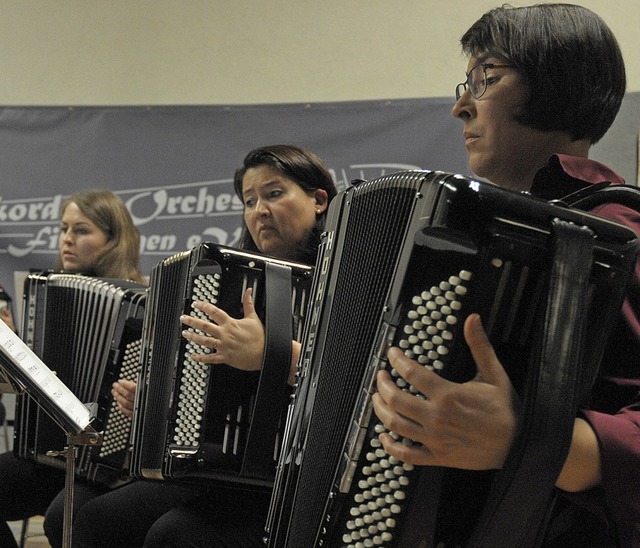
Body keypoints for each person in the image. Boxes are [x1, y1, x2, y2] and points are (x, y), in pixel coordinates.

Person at [372, 4, 640, 547]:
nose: (459, 107)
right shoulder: (494, 234)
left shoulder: (620, 231)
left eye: (485, 80)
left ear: (555, 85)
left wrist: (527, 445)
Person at [44, 145, 338, 547]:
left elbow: (348, 381)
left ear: (319, 199)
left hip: (298, 477)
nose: (259, 211)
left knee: (174, 536)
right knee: (91, 519)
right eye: (249, 201)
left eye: (273, 194)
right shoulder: (232, 282)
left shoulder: (342, 272)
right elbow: (203, 390)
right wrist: (150, 401)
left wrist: (271, 353)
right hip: (224, 466)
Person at [0, 189, 146, 548]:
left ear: (114, 239)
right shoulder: (48, 294)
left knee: (64, 518)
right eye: (64, 229)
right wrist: (11, 350)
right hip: (47, 452)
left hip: (108, 464)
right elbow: (34, 384)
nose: (67, 239)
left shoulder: (146, 301)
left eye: (81, 230)